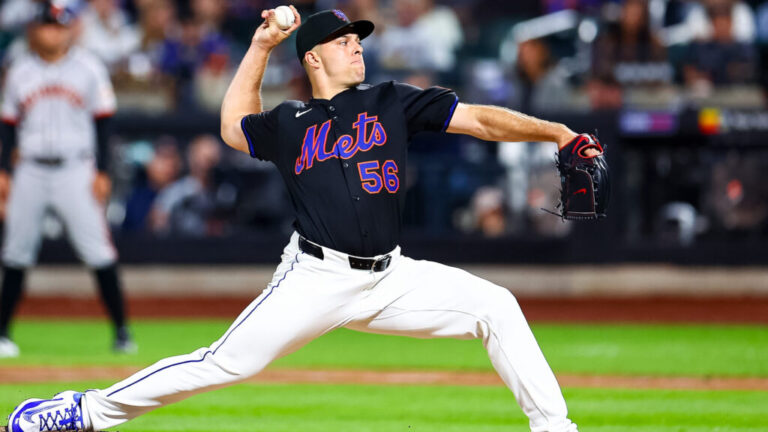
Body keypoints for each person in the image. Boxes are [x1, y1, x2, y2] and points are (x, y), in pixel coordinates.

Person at [6, 7, 601, 432]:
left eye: (358, 38)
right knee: (222, 364)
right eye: (344, 40)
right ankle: (83, 411)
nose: (357, 45)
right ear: (314, 57)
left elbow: (480, 120)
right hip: (316, 277)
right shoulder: (291, 121)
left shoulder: (390, 100)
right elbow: (232, 126)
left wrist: (557, 131)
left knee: (497, 306)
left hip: (392, 277)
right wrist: (261, 46)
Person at [0, 1, 136, 358]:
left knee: (98, 250)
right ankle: (2, 334)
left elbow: (104, 124)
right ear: (35, 30)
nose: (53, 33)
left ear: (69, 30)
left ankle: (122, 331)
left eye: (59, 26)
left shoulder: (89, 68)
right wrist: (4, 172)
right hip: (29, 169)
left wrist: (103, 171)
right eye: (47, 26)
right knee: (15, 250)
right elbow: (8, 126)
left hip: (76, 169)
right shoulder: (19, 70)